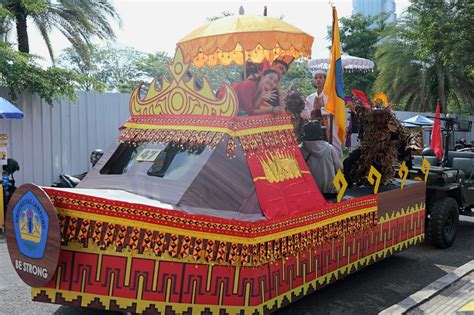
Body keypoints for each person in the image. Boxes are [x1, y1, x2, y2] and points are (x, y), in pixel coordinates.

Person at [301, 69, 342, 158]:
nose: (318, 80)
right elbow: (304, 113)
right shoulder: (310, 98)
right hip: (314, 129)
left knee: (333, 148)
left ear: (325, 79)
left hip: (330, 127)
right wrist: (312, 113)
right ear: (314, 81)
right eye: (316, 78)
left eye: (321, 77)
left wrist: (321, 111)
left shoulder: (331, 96)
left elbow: (336, 109)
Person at [300, 121, 343, 199]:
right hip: (331, 192)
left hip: (310, 194)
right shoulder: (330, 148)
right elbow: (340, 168)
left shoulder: (300, 150)